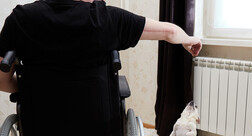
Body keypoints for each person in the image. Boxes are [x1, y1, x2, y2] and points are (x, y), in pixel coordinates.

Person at [0, 0, 202, 93]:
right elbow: (170, 32)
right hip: (98, 123)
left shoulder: (19, 19)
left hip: (42, 124)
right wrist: (189, 39)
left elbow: (2, 82)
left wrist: (32, 89)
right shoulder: (109, 18)